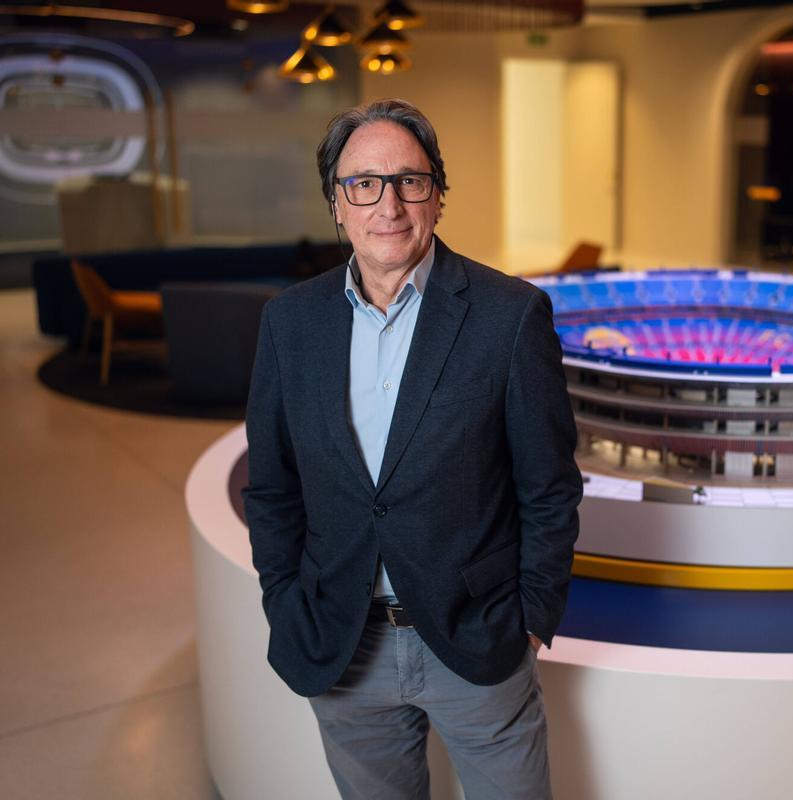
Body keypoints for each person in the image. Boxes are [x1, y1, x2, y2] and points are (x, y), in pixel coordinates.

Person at [242, 98, 583, 799]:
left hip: (476, 644)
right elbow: (272, 487)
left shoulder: (510, 316)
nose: (387, 204)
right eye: (363, 183)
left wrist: (531, 620)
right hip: (341, 645)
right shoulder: (289, 323)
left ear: (438, 194)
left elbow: (548, 486)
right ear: (336, 204)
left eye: (410, 180)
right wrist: (284, 598)